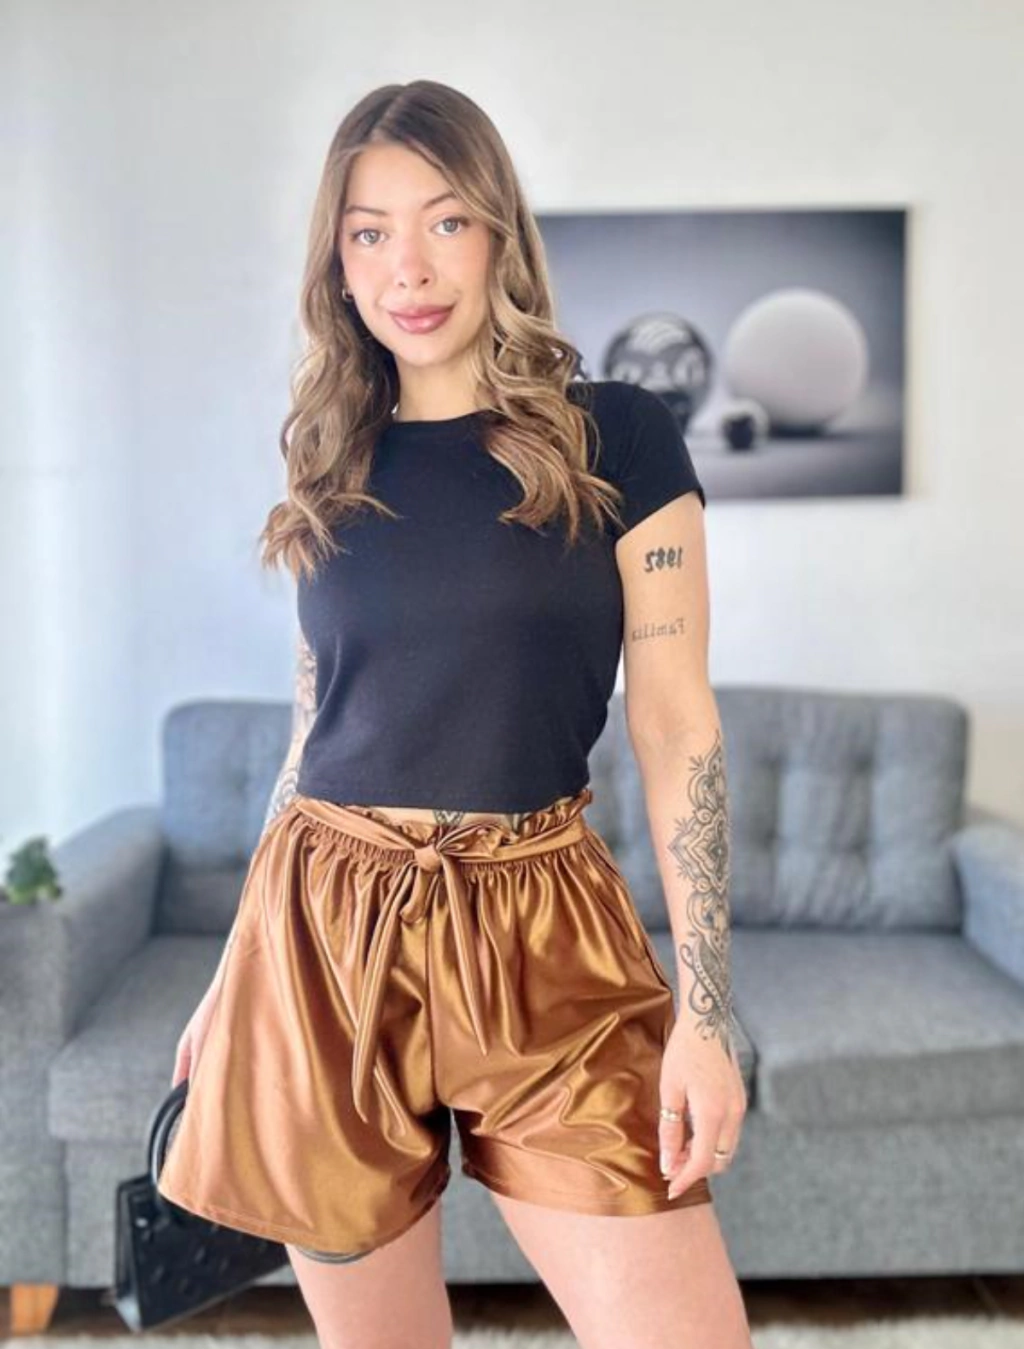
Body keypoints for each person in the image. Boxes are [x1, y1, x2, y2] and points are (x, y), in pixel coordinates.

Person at [157, 79, 753, 1349]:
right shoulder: (329, 457)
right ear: (337, 261)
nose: (408, 268)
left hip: (543, 920)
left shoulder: (619, 436)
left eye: (443, 222)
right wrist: (235, 972)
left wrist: (706, 1011)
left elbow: (675, 725)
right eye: (368, 232)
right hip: (323, 933)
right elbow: (315, 727)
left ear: (497, 234)